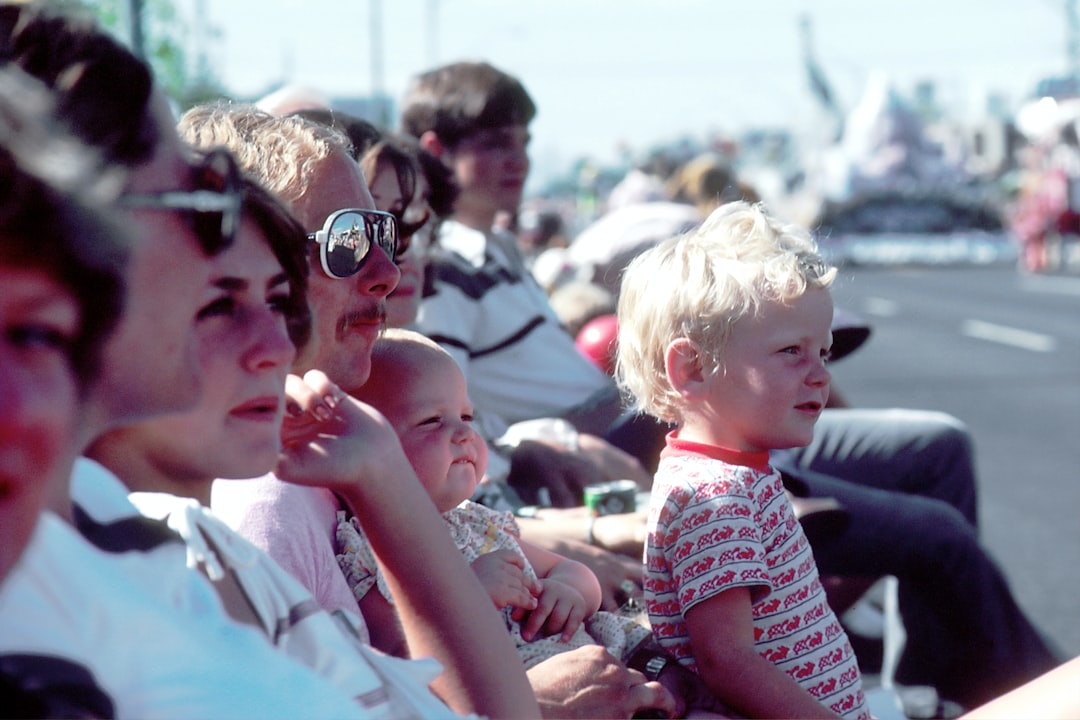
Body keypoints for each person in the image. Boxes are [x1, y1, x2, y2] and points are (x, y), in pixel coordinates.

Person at [182, 101, 678, 719]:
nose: (387, 272)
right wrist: (536, 707)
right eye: (346, 241)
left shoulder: (335, 457)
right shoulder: (265, 498)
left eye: (384, 233)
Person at [0, 49, 372, 716]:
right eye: (190, 195)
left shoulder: (141, 534)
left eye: (35, 336)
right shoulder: (223, 525)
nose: (213, 223)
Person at [617, 200, 869, 719]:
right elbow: (728, 660)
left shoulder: (726, 475)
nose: (821, 375)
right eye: (792, 352)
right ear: (693, 368)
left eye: (822, 353)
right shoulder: (715, 496)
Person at [401, 60, 652, 507]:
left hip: (626, 423)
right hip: (601, 445)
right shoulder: (442, 269)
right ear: (436, 149)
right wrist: (538, 448)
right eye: (496, 144)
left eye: (523, 143)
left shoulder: (498, 249)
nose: (519, 160)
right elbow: (443, 419)